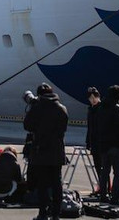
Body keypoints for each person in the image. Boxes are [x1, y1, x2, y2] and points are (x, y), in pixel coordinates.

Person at [24, 83, 68, 220]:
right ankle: (56, 214)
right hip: (57, 150)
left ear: (39, 95)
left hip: (41, 150)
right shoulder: (62, 108)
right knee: (57, 183)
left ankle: (43, 214)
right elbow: (63, 128)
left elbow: (27, 125)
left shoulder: (37, 108)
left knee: (42, 184)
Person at [85, 87, 102, 180]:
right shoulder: (90, 110)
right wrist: (88, 141)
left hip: (101, 141)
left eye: (94, 97)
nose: (93, 99)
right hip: (94, 141)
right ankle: (102, 185)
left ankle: (105, 187)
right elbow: (90, 127)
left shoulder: (101, 109)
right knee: (97, 166)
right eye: (91, 98)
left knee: (102, 166)